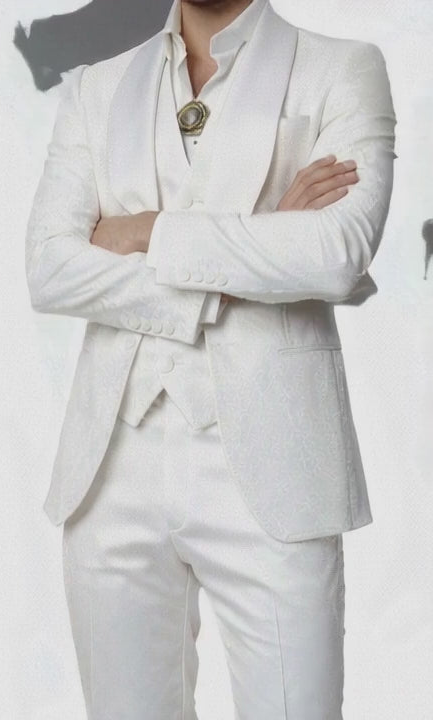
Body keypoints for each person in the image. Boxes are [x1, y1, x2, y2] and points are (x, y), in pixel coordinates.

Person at [25, 0, 396, 717]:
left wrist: (143, 230)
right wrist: (262, 240)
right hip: (110, 470)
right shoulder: (96, 87)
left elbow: (335, 254)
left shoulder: (344, 69)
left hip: (279, 468)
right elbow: (50, 271)